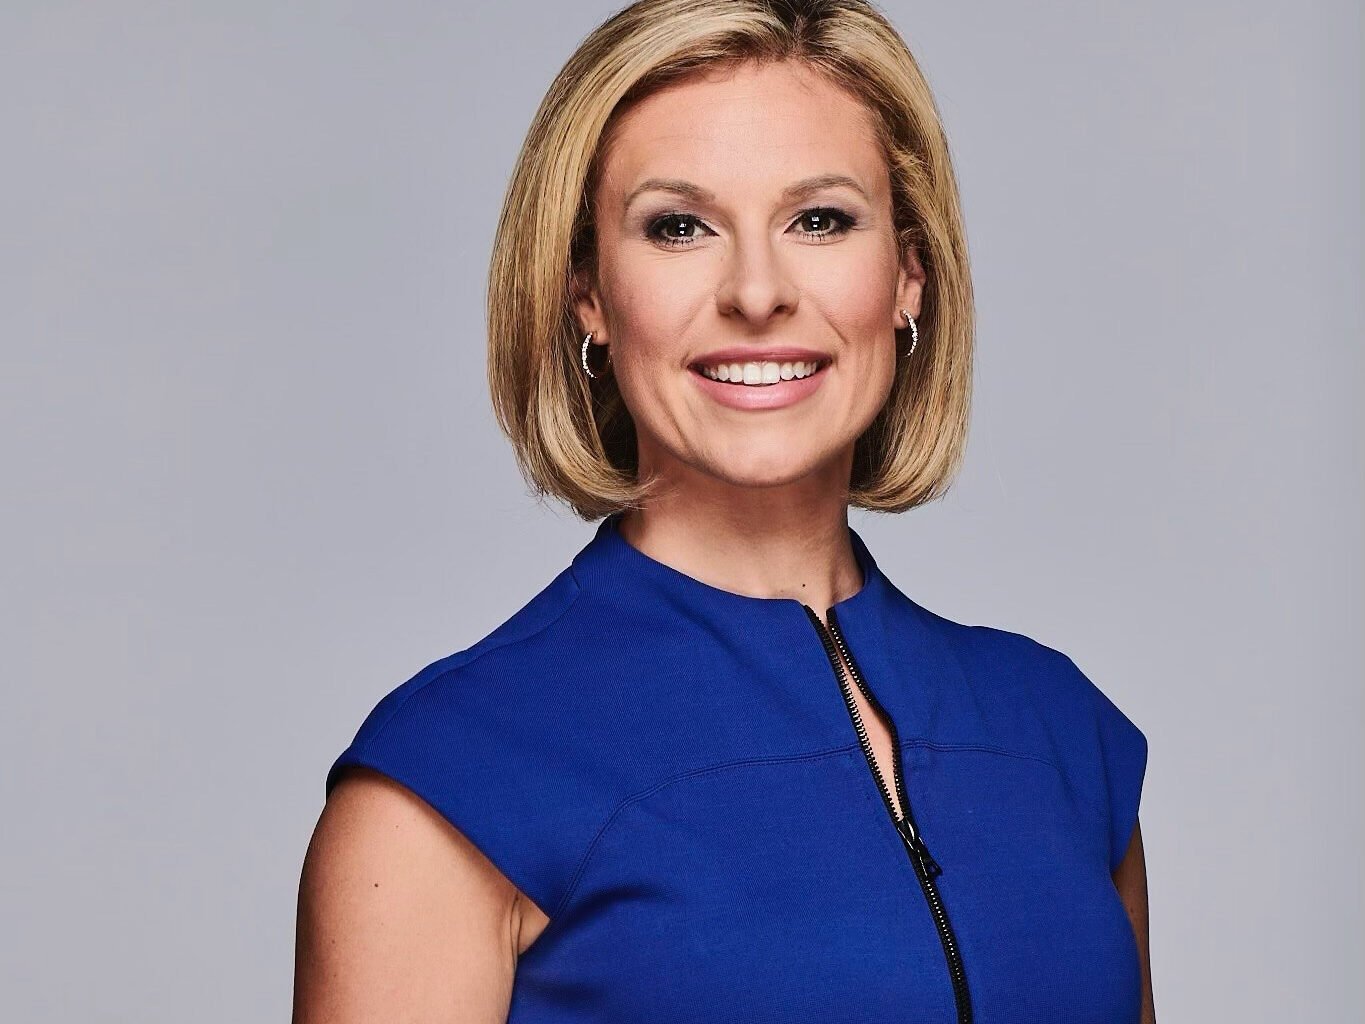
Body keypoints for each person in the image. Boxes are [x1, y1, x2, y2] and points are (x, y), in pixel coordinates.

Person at [293, 1, 1155, 1021]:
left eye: (820, 219)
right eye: (679, 226)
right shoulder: (454, 774)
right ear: (588, 293)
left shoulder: (1060, 733)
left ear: (909, 276)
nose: (756, 290)